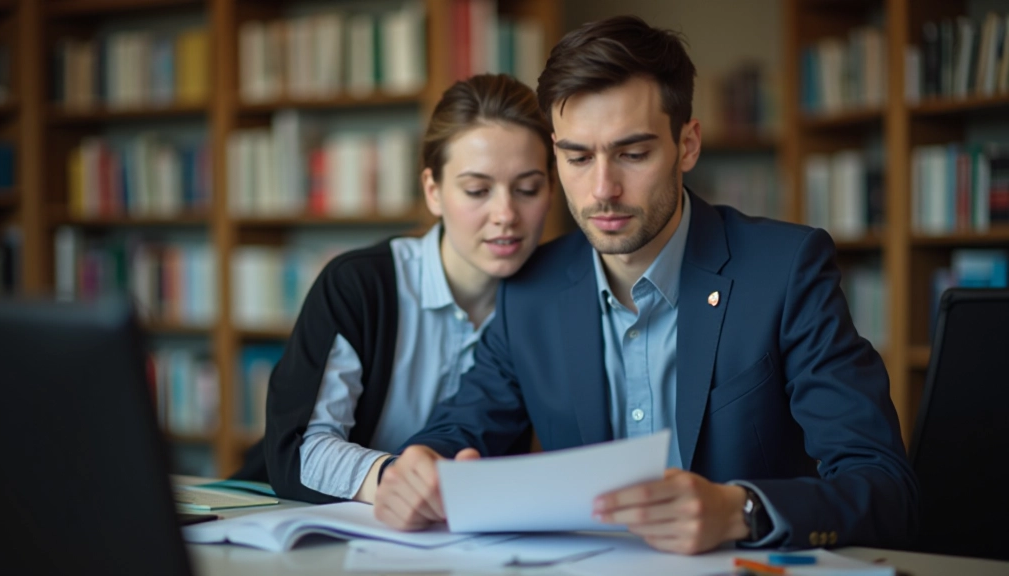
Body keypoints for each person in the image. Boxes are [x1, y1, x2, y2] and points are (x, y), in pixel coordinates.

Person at [372, 16, 919, 554]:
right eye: (577, 157)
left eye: (633, 154)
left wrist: (739, 510)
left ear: (687, 145)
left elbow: (885, 487)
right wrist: (416, 469)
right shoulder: (529, 291)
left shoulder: (786, 270)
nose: (603, 189)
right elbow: (455, 433)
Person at [263, 73, 554, 504]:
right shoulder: (360, 286)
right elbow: (300, 453)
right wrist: (398, 479)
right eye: (477, 190)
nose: (506, 213)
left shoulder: (554, 301)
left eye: (528, 188)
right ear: (433, 192)